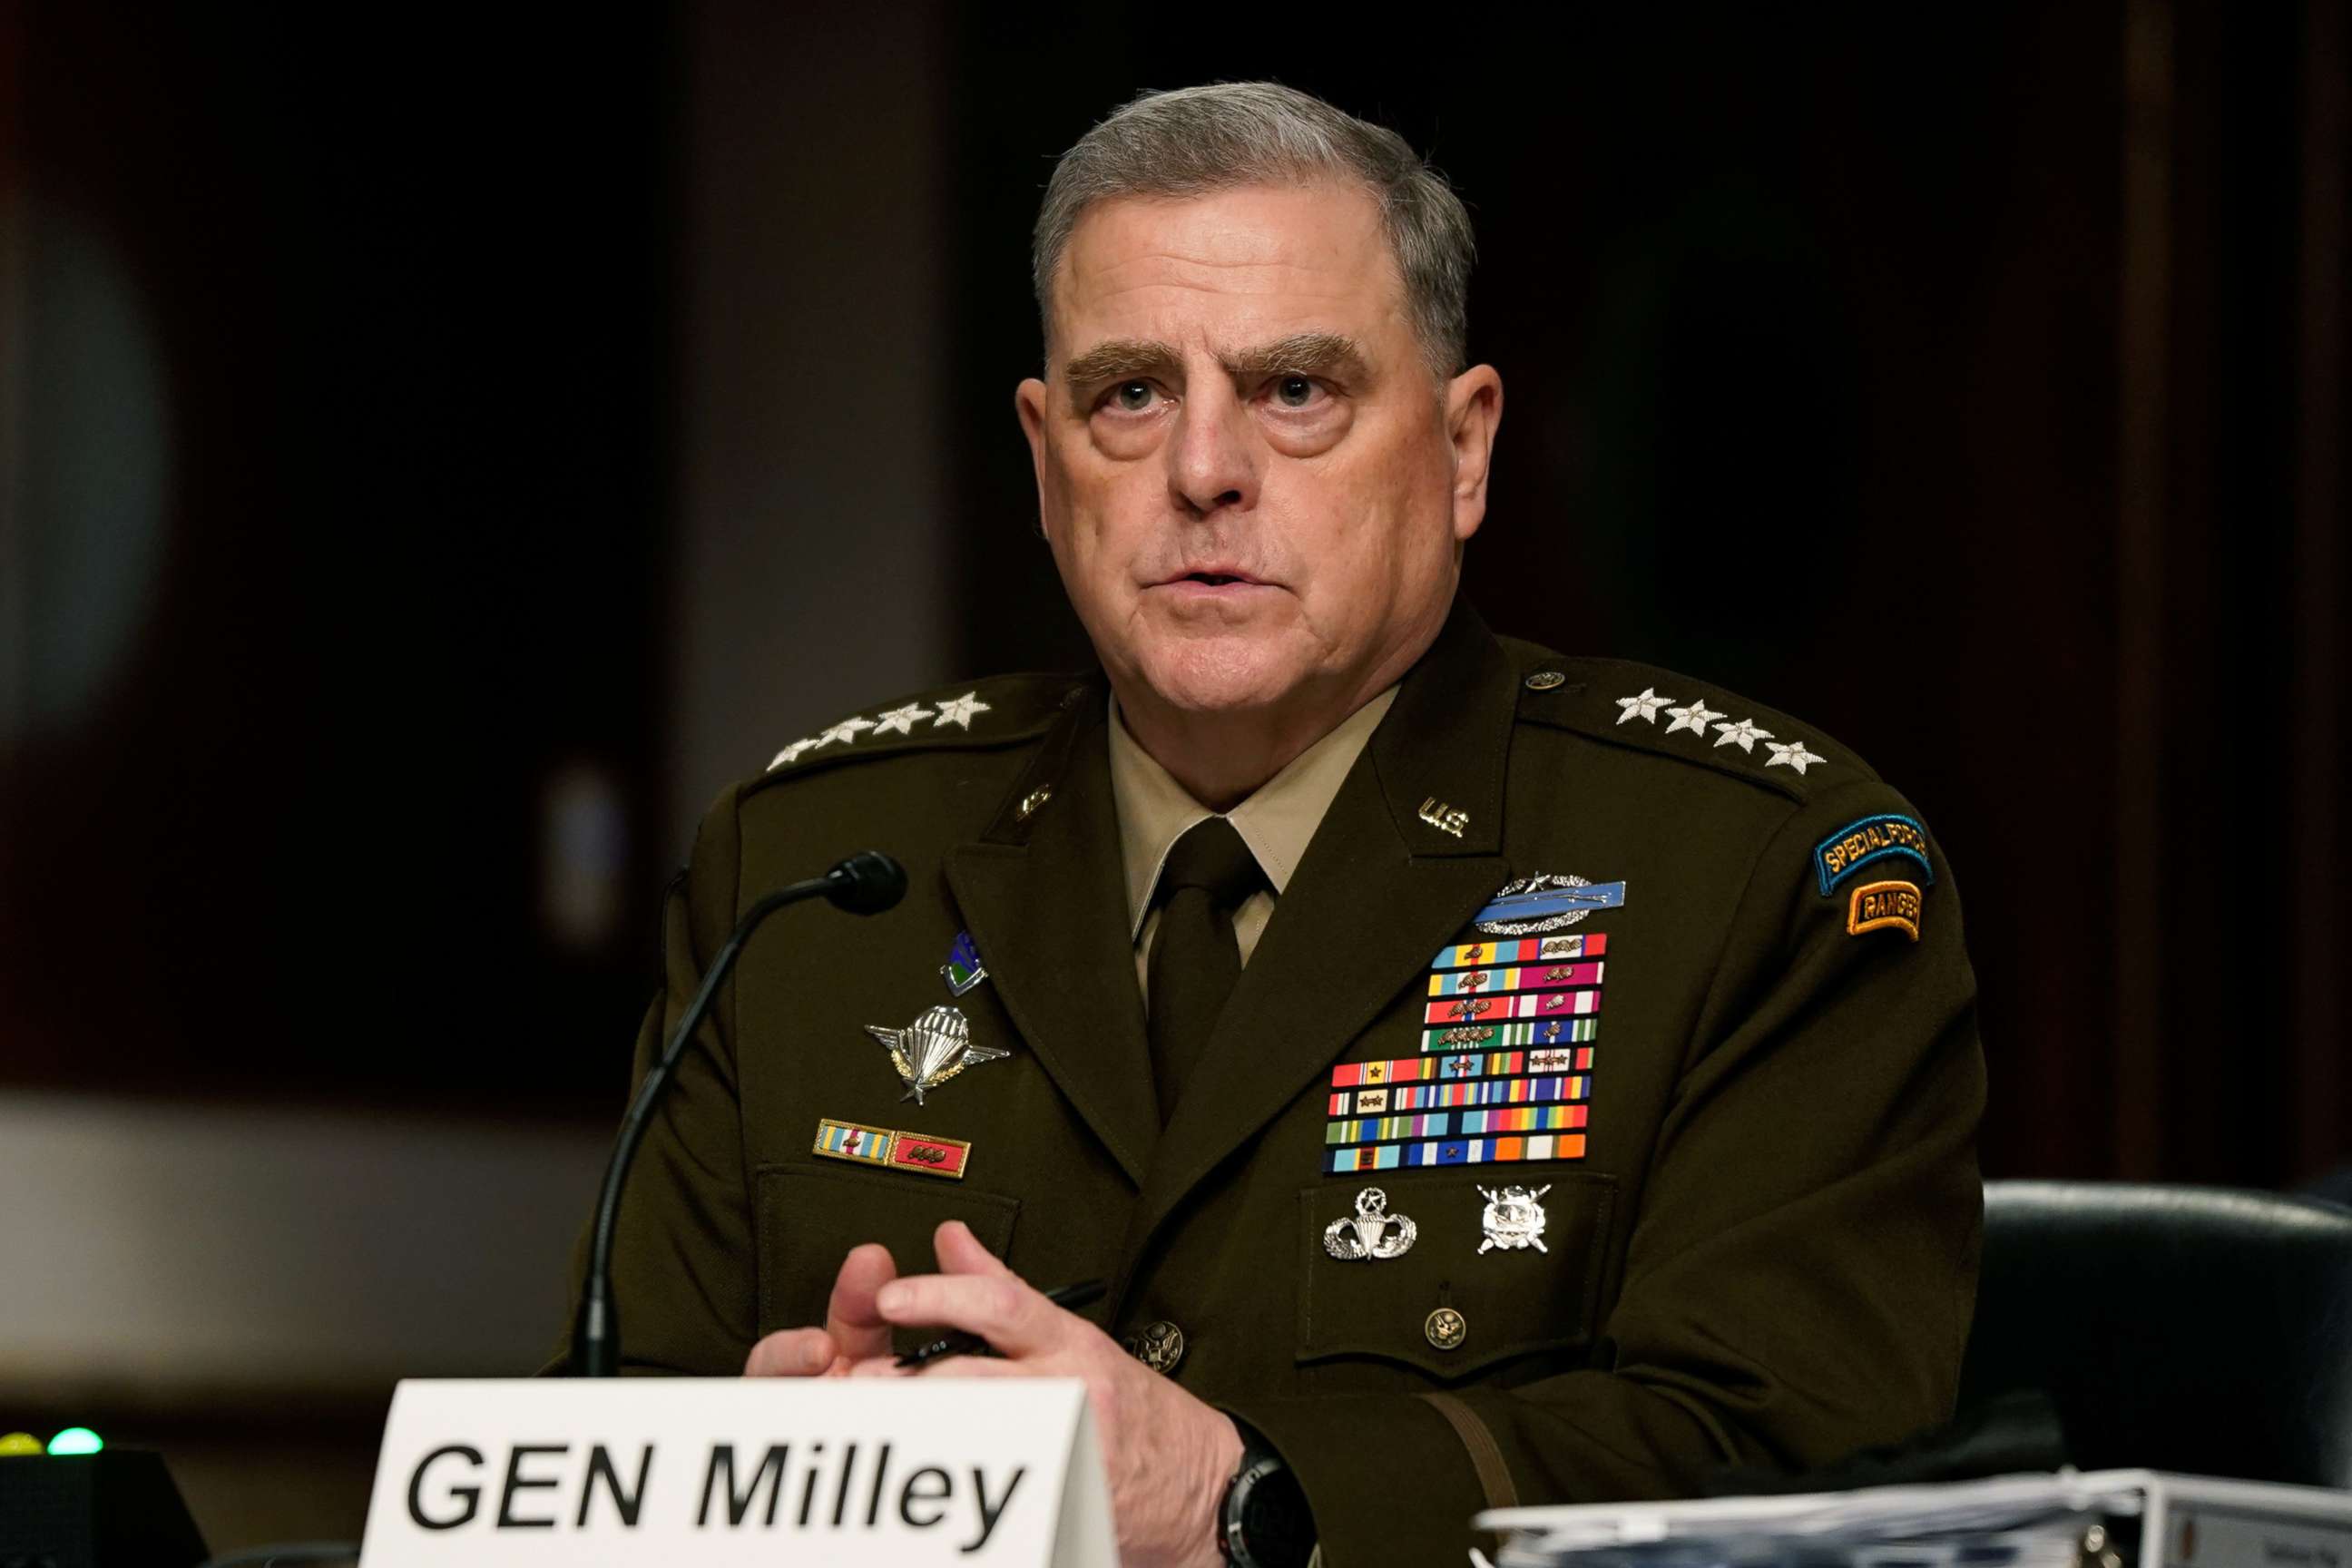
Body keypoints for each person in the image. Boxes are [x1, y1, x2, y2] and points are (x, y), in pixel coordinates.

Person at [555, 82, 1984, 1568]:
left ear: (1464, 446)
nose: (1203, 471)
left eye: (1295, 390)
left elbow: (1803, 1481)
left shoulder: (1758, 873)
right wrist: (728, 1476)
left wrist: (1243, 1490)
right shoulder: (806, 877)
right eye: (1131, 395)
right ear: (1047, 466)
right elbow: (597, 1442)